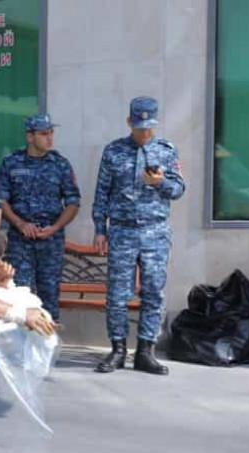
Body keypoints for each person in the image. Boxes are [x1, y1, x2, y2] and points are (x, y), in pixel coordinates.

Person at [92, 97, 185, 375]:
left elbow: (179, 190)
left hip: (155, 231)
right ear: (129, 122)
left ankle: (145, 351)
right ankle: (118, 350)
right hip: (122, 230)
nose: (144, 132)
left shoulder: (167, 150)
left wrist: (160, 182)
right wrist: (100, 229)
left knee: (153, 292)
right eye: (139, 127)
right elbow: (102, 193)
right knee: (117, 294)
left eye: (149, 127)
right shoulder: (113, 151)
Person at [0, 114, 81, 323]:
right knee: (18, 294)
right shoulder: (12, 163)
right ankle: (19, 340)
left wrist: (55, 227)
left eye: (51, 133)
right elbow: (1, 200)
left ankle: (49, 338)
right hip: (20, 241)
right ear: (30, 136)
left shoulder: (60, 164)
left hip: (51, 241)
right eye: (44, 134)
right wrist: (20, 223)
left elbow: (73, 202)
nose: (49, 138)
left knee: (49, 296)